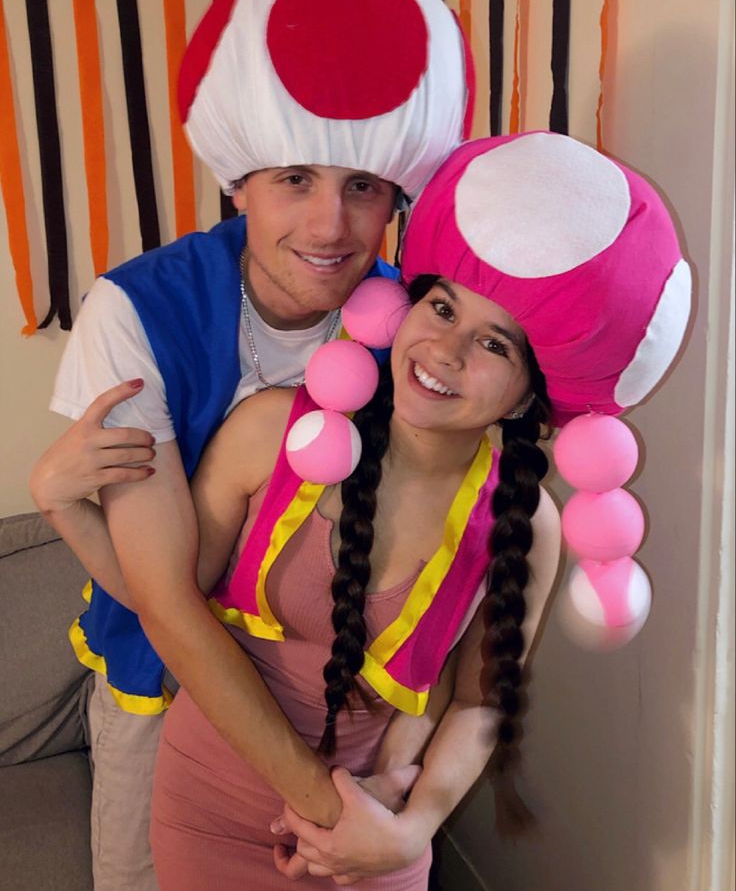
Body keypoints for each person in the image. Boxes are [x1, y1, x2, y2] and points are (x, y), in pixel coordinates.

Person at [33, 131, 692, 887]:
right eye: (441, 308)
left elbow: (480, 702)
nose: (445, 351)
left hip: (373, 835)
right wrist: (64, 508)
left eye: (495, 346)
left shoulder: (526, 523)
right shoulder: (272, 430)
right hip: (209, 803)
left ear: (533, 395)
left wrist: (409, 827)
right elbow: (165, 601)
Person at [30, 0, 472, 890]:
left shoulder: (416, 334)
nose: (327, 227)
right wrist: (334, 811)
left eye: (362, 186)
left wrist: (402, 795)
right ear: (237, 181)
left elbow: (458, 561)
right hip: (161, 686)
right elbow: (168, 595)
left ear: (397, 194)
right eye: (295, 180)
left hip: (329, 710)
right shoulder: (134, 311)